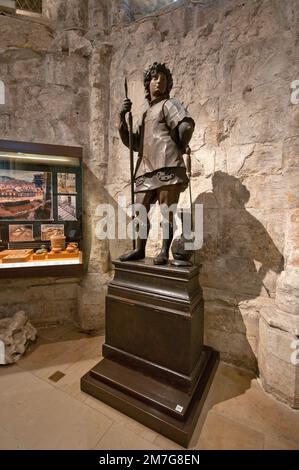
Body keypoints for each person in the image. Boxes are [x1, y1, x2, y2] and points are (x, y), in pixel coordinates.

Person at [118, 62, 195, 265]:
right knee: (139, 210)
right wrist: (122, 118)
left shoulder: (169, 104)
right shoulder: (144, 114)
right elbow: (134, 142)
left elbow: (186, 125)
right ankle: (139, 249)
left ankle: (163, 251)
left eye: (163, 78)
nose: (158, 81)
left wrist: (179, 144)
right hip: (146, 167)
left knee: (166, 210)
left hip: (167, 163)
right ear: (148, 83)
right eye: (154, 78)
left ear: (168, 84)